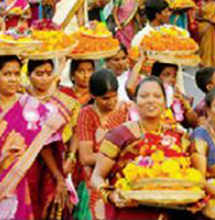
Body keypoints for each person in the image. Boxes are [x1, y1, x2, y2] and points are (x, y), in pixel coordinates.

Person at [91, 76, 189, 219]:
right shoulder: (119, 135)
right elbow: (97, 176)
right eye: (144, 96)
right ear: (135, 102)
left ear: (165, 102)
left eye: (157, 96)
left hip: (168, 212)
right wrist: (111, 195)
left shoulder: (177, 136)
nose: (151, 100)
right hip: (130, 212)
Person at [0, 55, 63, 219]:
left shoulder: (30, 106)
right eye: (7, 74)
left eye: (16, 74)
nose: (13, 79)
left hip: (17, 178)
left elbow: (46, 142)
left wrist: (58, 177)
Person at [25, 59, 81, 219]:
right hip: (28, 164)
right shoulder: (22, 99)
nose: (44, 78)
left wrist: (71, 156)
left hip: (58, 161)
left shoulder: (66, 101)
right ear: (29, 75)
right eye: (39, 74)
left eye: (48, 73)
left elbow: (76, 130)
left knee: (54, 208)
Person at [77, 69, 132, 220]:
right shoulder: (87, 114)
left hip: (121, 177)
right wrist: (113, 157)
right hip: (95, 178)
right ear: (93, 96)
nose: (111, 102)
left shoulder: (125, 109)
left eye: (114, 96)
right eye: (105, 98)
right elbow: (86, 157)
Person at [196, 0, 215, 68]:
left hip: (212, 26)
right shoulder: (199, 4)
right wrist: (206, 19)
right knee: (204, 45)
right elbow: (196, 17)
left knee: (212, 45)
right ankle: (204, 62)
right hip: (203, 26)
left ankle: (213, 63)